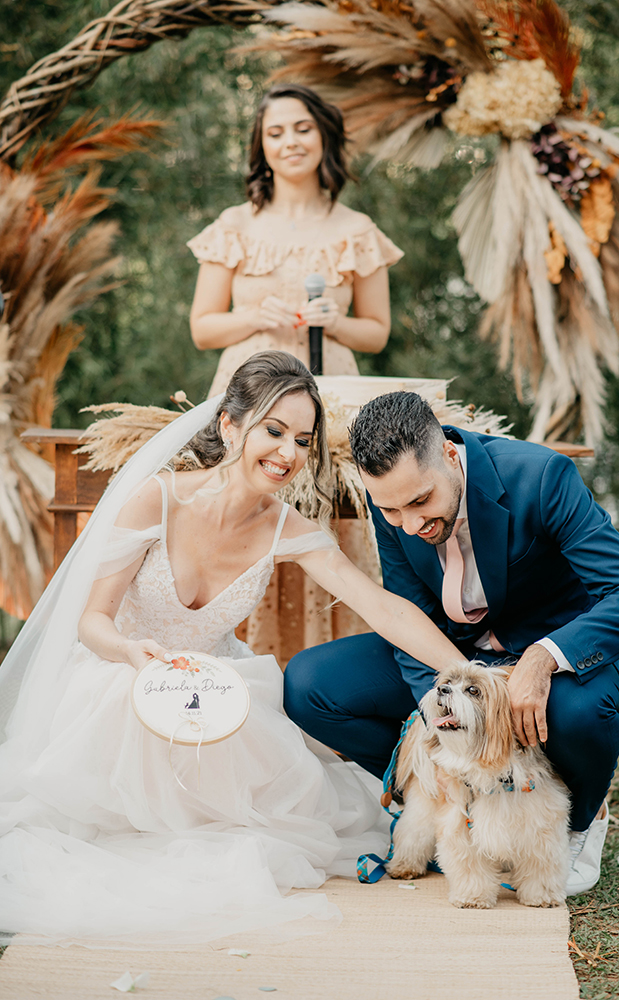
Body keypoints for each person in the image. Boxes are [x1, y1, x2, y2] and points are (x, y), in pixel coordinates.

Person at [0, 354, 465, 947]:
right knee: (98, 832)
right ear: (228, 425)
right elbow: (92, 620)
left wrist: (463, 669)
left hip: (213, 698)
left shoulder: (285, 526)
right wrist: (129, 652)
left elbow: (380, 606)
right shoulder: (156, 500)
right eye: (273, 431)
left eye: (302, 439)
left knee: (284, 828)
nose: (288, 453)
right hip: (120, 678)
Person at [284, 391, 619, 896]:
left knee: (572, 716)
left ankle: (577, 811)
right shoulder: (395, 501)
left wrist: (545, 657)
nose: (411, 525)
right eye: (392, 511)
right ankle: (454, 793)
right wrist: (436, 713)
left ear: (445, 452)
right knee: (311, 685)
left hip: (562, 648)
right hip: (460, 656)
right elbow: (409, 616)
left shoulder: (541, 476)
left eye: (421, 502)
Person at [187, 83, 403, 663]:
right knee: (243, 520)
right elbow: (203, 328)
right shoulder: (234, 224)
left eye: (302, 128)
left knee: (329, 531)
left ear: (324, 136)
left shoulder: (355, 229)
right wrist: (254, 314)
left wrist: (337, 322)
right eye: (275, 132)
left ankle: (327, 681)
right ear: (261, 145)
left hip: (328, 403)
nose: (289, 142)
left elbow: (377, 332)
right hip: (250, 403)